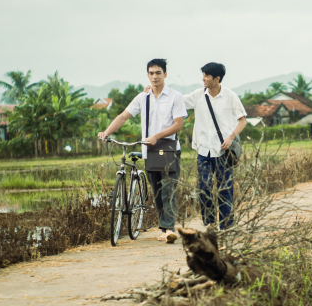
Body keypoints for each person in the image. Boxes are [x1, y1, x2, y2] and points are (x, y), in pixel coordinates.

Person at [98, 59, 187, 243]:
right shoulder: (143, 97)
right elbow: (123, 116)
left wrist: (157, 136)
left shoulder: (175, 96)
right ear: (148, 75)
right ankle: (165, 229)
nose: (155, 76)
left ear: (165, 74)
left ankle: (169, 229)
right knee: (157, 191)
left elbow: (178, 125)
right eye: (151, 73)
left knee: (168, 190)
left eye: (158, 73)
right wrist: (106, 132)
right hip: (150, 152)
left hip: (169, 150)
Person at [181, 62, 247, 229]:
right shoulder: (197, 95)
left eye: (206, 76)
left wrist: (231, 137)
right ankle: (210, 222)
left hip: (223, 151)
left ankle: (226, 226)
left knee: (225, 189)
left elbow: (242, 120)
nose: (203, 79)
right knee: (204, 187)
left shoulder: (230, 96)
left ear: (217, 78)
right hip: (203, 150)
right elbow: (176, 101)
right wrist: (153, 91)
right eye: (202, 75)